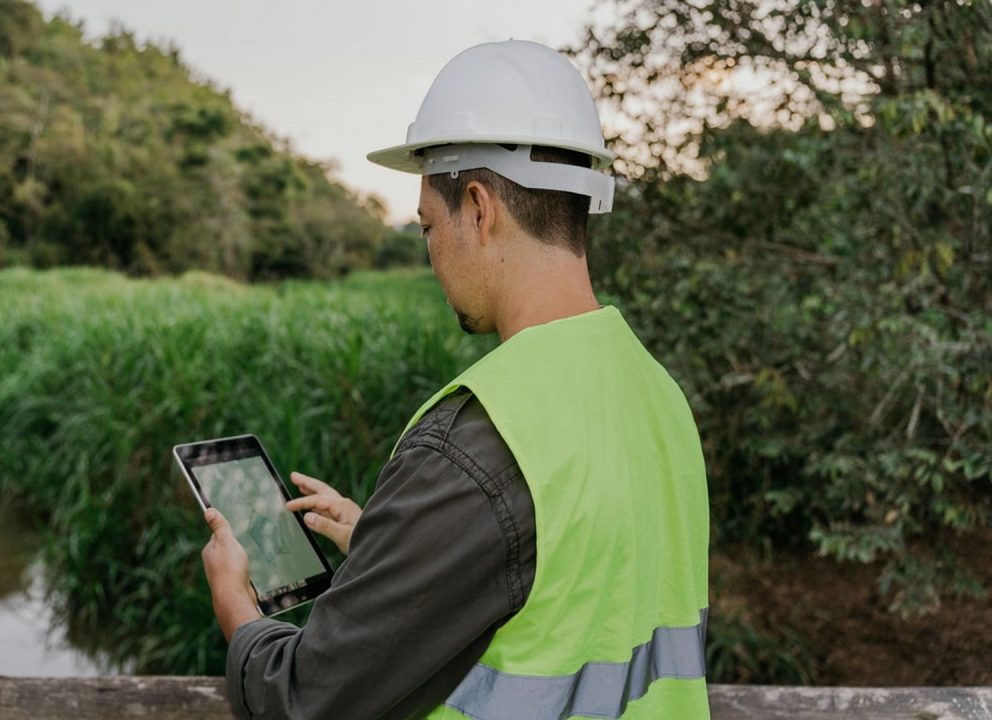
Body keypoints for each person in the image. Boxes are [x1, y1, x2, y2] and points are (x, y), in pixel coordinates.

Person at [200, 39, 710, 719]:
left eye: (427, 227)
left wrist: (237, 608)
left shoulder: (476, 445)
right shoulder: (656, 392)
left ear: (478, 208)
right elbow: (583, 583)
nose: (432, 255)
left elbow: (300, 700)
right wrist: (399, 552)